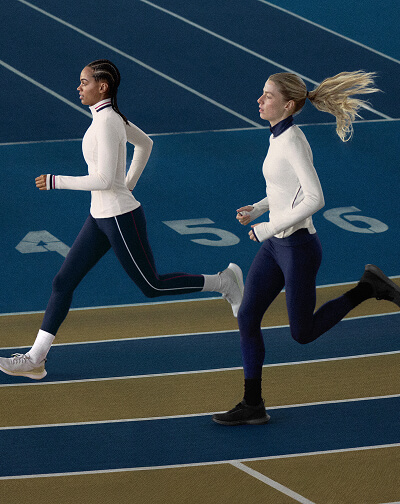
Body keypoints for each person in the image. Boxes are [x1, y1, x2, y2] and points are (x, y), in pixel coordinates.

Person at [0, 59, 244, 381]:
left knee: (152, 285)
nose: (78, 87)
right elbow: (145, 144)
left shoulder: (107, 122)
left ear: (102, 86)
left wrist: (57, 181)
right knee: (63, 282)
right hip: (99, 217)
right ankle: (35, 359)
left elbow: (103, 179)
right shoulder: (106, 118)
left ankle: (223, 281)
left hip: (119, 217)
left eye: (84, 82)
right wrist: (127, 183)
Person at [212, 71, 400, 426]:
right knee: (248, 316)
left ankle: (367, 288)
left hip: (298, 248)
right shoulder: (277, 136)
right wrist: (259, 209)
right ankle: (253, 403)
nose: (259, 100)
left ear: (288, 105)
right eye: (262, 93)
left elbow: (315, 198)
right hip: (276, 246)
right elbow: (286, 190)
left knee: (303, 333)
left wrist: (268, 227)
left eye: (268, 96)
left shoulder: (293, 142)